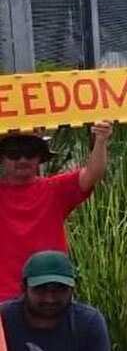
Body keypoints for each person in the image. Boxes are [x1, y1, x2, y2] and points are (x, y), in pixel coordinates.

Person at [0, 122, 112, 301]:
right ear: (2, 157)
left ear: (40, 157)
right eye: (14, 153)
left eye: (30, 152)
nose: (22, 160)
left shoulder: (55, 189)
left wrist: (101, 140)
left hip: (50, 297)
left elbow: (92, 174)